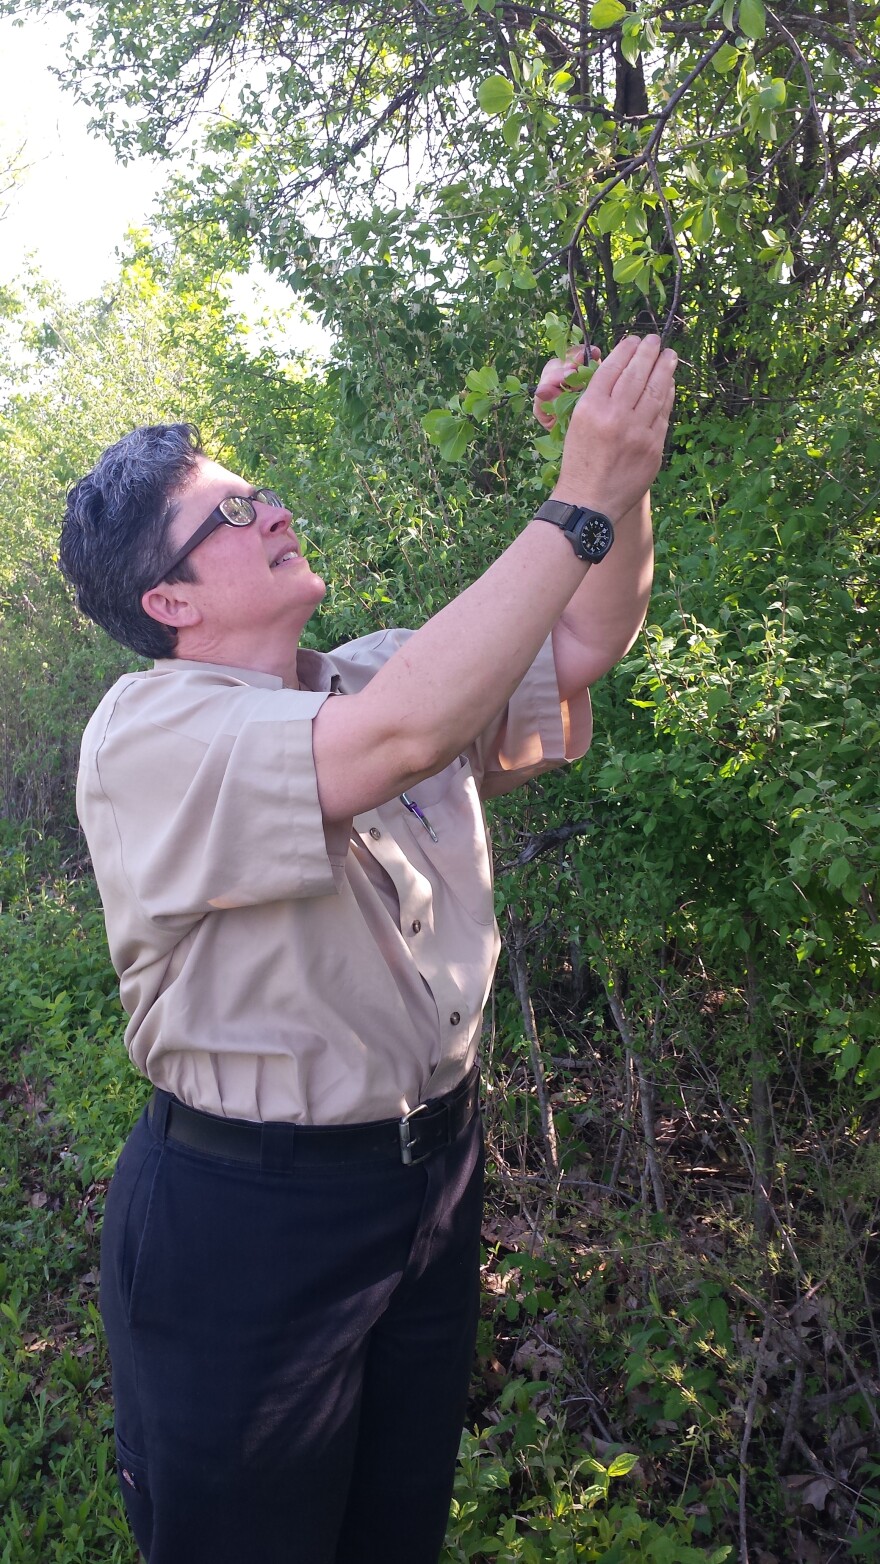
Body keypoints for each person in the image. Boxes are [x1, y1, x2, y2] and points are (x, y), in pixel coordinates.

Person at [60, 333, 676, 1564]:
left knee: (392, 1524)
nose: (274, 505)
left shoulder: (369, 675)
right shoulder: (149, 731)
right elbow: (398, 742)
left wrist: (621, 486)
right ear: (167, 599)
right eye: (233, 509)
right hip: (249, 1214)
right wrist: (575, 498)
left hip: (430, 1176)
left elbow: (581, 645)